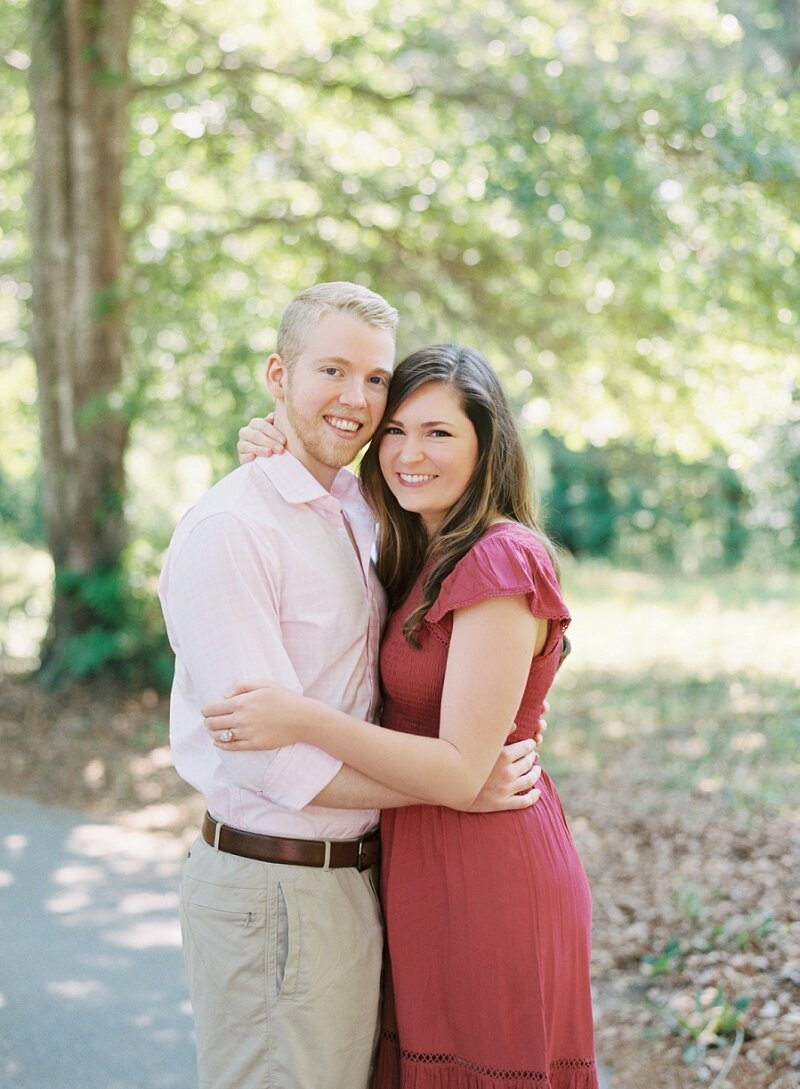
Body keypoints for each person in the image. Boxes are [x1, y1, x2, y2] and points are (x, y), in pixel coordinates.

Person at [158, 285, 545, 1089]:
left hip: (359, 880)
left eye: (375, 379)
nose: (358, 400)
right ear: (277, 374)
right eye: (331, 370)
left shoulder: (362, 512)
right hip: (278, 885)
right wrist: (451, 789)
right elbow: (273, 762)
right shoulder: (231, 530)